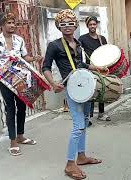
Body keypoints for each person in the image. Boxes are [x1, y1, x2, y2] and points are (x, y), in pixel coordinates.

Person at [42, 10, 105, 180]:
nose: (67, 26)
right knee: (78, 125)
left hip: (84, 86)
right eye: (63, 24)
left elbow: (81, 64)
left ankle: (81, 156)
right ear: (58, 26)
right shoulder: (54, 45)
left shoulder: (79, 43)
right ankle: (70, 164)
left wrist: (98, 68)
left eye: (70, 23)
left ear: (76, 25)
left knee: (84, 121)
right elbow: (45, 66)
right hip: (71, 88)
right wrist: (53, 83)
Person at [0, 12, 42, 156]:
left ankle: (20, 135)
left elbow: (25, 57)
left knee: (22, 106)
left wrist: (34, 58)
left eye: (13, 23)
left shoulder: (19, 40)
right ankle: (12, 141)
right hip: (5, 79)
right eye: (9, 23)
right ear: (2, 25)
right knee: (10, 108)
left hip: (21, 78)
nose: (12, 25)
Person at [79, 16, 111, 124]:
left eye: (94, 24)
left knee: (101, 89)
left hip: (101, 67)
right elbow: (79, 53)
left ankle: (101, 113)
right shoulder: (82, 39)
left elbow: (106, 52)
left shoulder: (102, 39)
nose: (92, 26)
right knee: (90, 91)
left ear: (96, 25)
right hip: (90, 68)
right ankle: (87, 116)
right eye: (90, 24)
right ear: (87, 26)